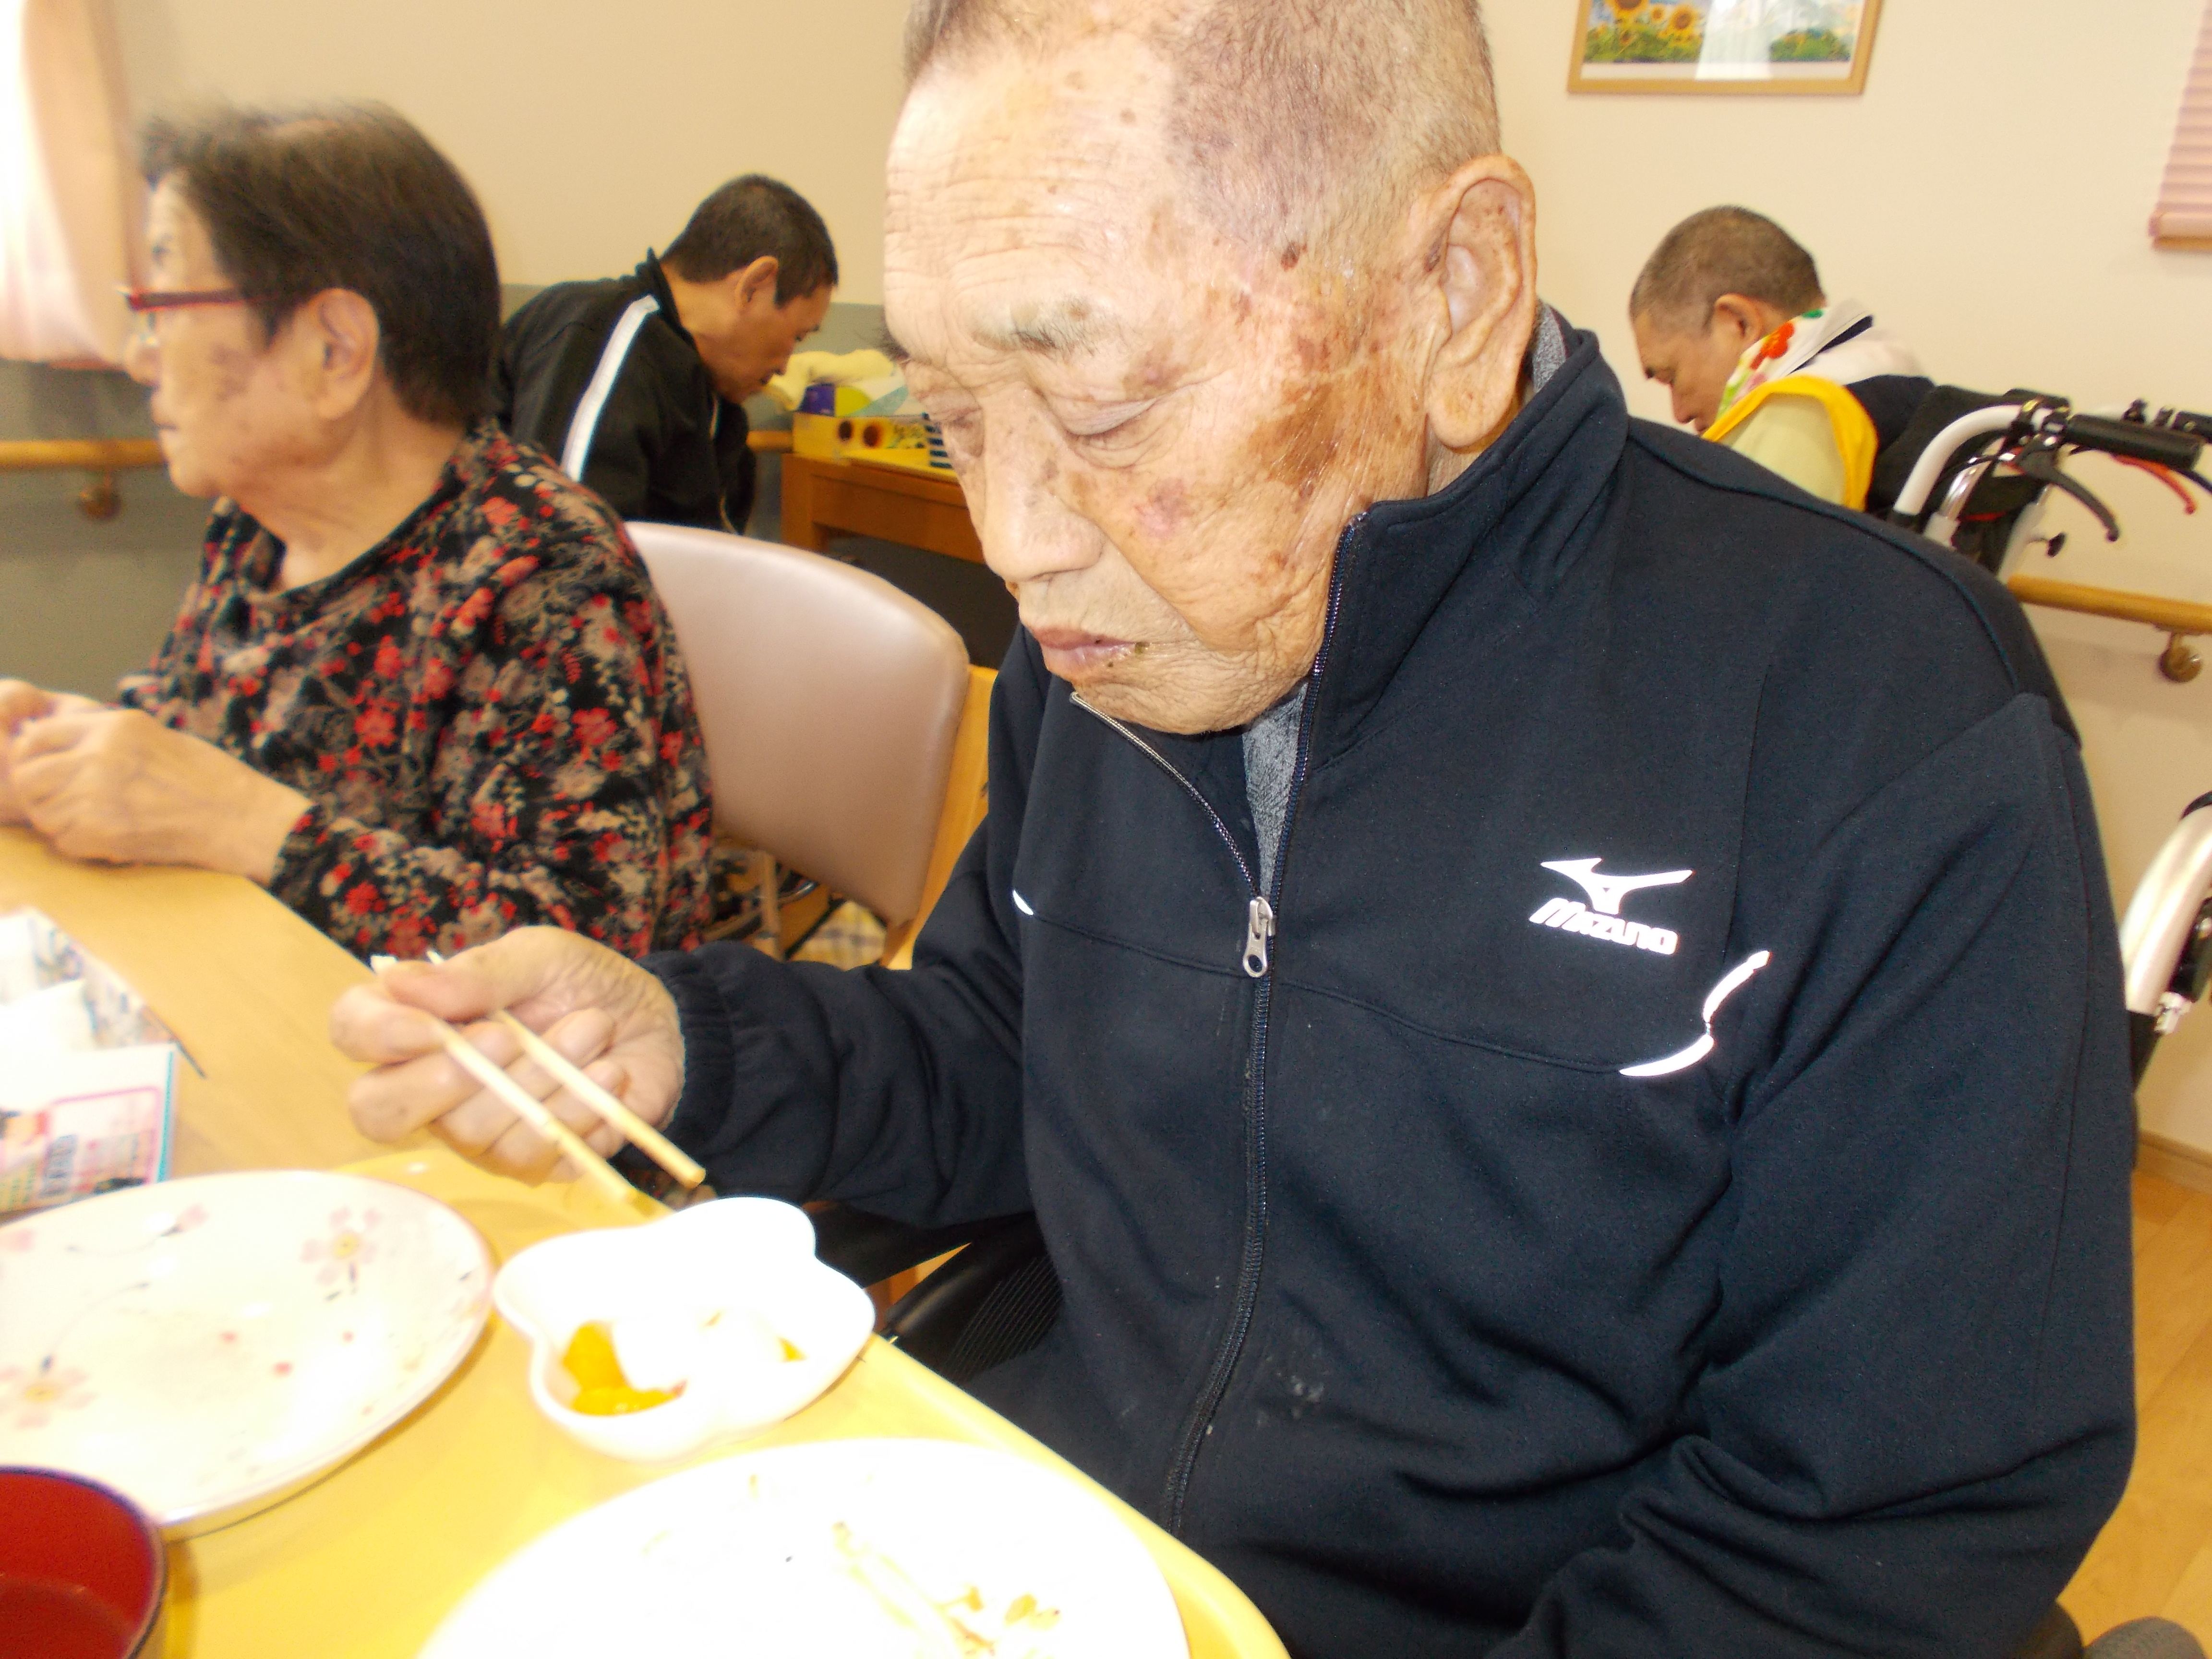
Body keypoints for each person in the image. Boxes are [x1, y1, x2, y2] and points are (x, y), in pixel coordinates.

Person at [334, 4, 2138, 1655]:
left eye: (1105, 410)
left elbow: (1878, 1521)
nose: (1020, 546)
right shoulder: (1115, 635)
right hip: (1021, 1556)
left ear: (1452, 294)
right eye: (956, 420)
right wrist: (689, 1039)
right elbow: (1005, 1054)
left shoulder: (1870, 720)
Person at [0, 105, 716, 963]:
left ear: (335, 350)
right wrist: (60, 753)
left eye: (162, 305)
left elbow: (588, 950)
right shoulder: (257, 523)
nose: (139, 355)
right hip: (260, 979)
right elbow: (195, 738)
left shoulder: (542, 576)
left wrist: (251, 825)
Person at [497, 176, 838, 533]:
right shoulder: (606, 336)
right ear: (754, 285)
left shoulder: (716, 402)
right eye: (797, 336)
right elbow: (562, 538)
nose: (785, 366)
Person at [1629, 205, 1932, 511]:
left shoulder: (1798, 412)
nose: (1679, 414)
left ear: (1739, 323)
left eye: (1672, 377)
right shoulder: (1893, 374)